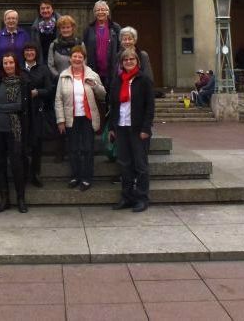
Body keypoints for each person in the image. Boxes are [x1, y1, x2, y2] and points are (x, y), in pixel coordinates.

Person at [107, 49, 155, 212]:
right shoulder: (117, 80)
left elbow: (150, 107)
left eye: (131, 59)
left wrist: (146, 128)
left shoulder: (144, 80)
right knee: (125, 164)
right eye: (125, 59)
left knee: (140, 165)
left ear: (137, 62)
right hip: (121, 126)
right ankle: (127, 197)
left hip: (138, 128)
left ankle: (142, 198)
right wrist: (112, 127)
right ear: (121, 63)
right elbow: (113, 106)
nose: (128, 61)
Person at [0, 52, 30, 213]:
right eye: (5, 63)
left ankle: (21, 199)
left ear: (16, 64)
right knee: (0, 164)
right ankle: (4, 199)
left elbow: (19, 106)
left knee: (17, 164)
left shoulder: (23, 81)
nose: (8, 65)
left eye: (11, 62)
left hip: (14, 129)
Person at [55, 44, 106, 190]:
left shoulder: (92, 74)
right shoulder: (63, 76)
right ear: (70, 59)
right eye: (74, 56)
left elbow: (103, 95)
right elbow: (58, 99)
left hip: (87, 118)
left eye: (80, 57)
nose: (77, 59)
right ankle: (75, 176)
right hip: (71, 118)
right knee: (73, 149)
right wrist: (60, 120)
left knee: (88, 149)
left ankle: (87, 178)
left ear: (84, 59)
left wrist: (95, 85)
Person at [22, 42, 54, 187]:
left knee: (36, 146)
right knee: (22, 145)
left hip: (37, 112)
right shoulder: (19, 69)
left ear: (36, 53)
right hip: (21, 112)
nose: (29, 53)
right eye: (27, 50)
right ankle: (23, 173)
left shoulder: (43, 69)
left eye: (32, 50)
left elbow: (49, 89)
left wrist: (38, 92)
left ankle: (35, 174)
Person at [83, 0, 122, 99]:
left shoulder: (115, 28)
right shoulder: (89, 29)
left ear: (108, 12)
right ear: (94, 13)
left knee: (112, 98)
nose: (100, 12)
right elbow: (84, 49)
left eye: (103, 10)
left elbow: (120, 48)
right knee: (96, 99)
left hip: (112, 70)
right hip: (94, 70)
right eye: (98, 10)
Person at [0, 9, 31, 77]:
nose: (11, 21)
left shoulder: (24, 35)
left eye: (13, 18)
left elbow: (30, 54)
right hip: (1, 75)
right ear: (4, 21)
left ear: (17, 20)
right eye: (8, 18)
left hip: (21, 74)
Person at [31, 0, 59, 65]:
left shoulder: (60, 23)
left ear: (52, 10)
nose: (45, 10)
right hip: (42, 59)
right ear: (40, 11)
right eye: (42, 8)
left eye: (48, 8)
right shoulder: (35, 27)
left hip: (57, 59)